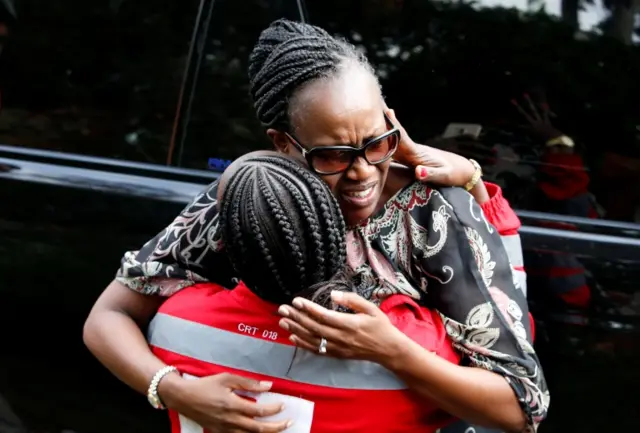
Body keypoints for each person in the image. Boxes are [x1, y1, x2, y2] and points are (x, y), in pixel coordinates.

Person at [84, 19, 548, 433]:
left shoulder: (435, 212)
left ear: (392, 122)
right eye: (333, 154)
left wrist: (394, 351)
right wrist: (173, 389)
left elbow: (520, 407)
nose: (363, 171)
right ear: (284, 144)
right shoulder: (252, 197)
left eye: (376, 143)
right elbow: (109, 316)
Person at [151, 152, 464, 433]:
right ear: (335, 232)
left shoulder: (172, 323)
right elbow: (505, 389)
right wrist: (473, 182)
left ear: (224, 247)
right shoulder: (417, 342)